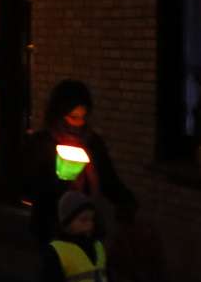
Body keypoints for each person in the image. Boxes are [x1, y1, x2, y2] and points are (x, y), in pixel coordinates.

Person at [23, 80, 137, 246]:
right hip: (51, 228)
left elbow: (108, 178)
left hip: (87, 226)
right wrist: (60, 179)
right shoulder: (42, 143)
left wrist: (126, 200)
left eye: (83, 117)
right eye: (73, 117)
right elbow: (28, 185)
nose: (78, 124)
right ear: (59, 114)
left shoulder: (92, 142)